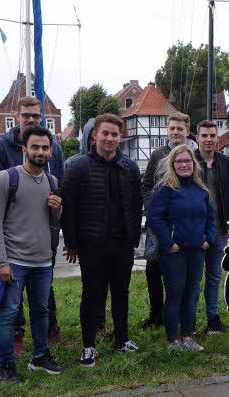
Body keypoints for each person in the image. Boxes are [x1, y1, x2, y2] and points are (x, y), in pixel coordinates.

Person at [61, 114, 143, 367]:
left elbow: (136, 203)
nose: (109, 138)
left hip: (121, 242)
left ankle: (122, 339)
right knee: (92, 294)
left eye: (114, 134)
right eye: (105, 133)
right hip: (92, 243)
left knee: (121, 293)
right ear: (94, 135)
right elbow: (69, 207)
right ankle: (88, 346)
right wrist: (72, 243)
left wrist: (133, 237)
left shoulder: (129, 167)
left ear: (121, 137)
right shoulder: (78, 166)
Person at [0, 126, 64, 382]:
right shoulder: (6, 178)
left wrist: (56, 210)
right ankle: (6, 365)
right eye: (35, 147)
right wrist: (1, 262)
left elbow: (52, 223)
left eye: (45, 148)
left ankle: (40, 356)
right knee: (8, 314)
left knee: (41, 311)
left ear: (50, 151)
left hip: (42, 261)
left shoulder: (52, 181)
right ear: (24, 149)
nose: (40, 152)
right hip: (14, 261)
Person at [148, 145, 215, 351]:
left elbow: (210, 218)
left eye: (187, 161)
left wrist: (208, 239)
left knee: (191, 293)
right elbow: (155, 218)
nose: (184, 165)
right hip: (174, 252)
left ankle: (187, 335)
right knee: (175, 293)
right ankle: (173, 340)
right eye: (179, 162)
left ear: (194, 164)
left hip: (197, 250)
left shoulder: (201, 190)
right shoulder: (165, 189)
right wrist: (169, 243)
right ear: (172, 164)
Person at [140, 112, 193, 329]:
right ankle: (156, 314)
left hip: (183, 223)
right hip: (158, 221)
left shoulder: (193, 155)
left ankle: (182, 315)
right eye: (172, 128)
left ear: (186, 131)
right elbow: (146, 185)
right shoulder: (157, 155)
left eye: (179, 129)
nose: (175, 132)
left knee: (182, 272)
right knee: (153, 268)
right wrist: (152, 210)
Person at [194, 120, 229, 335]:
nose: (209, 139)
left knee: (214, 277)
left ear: (217, 138)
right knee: (193, 279)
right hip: (195, 231)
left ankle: (213, 318)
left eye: (212, 135)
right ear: (197, 137)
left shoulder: (225, 162)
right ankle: (190, 320)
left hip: (219, 229)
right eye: (205, 135)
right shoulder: (189, 161)